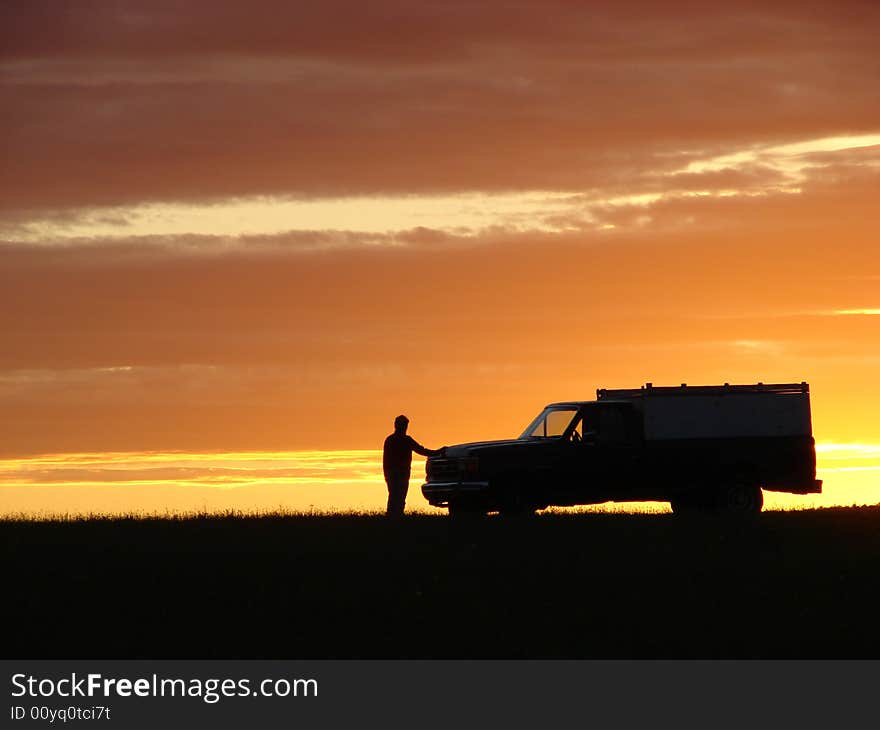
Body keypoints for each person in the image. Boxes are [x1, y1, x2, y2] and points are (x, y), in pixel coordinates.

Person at [383, 415, 444, 517]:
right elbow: (422, 450)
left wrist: (438, 452)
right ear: (396, 425)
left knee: (397, 495)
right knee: (396, 495)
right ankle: (393, 516)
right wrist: (438, 452)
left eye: (405, 425)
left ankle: (395, 516)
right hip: (397, 472)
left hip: (397, 472)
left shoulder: (395, 439)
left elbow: (422, 450)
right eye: (403, 425)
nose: (404, 427)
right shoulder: (397, 440)